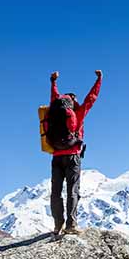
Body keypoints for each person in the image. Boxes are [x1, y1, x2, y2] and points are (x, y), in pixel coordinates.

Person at [48, 70, 102, 235]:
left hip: (56, 156)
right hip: (72, 156)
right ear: (73, 101)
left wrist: (53, 81)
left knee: (56, 192)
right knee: (72, 190)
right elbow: (91, 98)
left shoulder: (54, 107)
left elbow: (54, 94)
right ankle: (71, 225)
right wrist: (99, 79)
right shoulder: (79, 112)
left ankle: (58, 225)